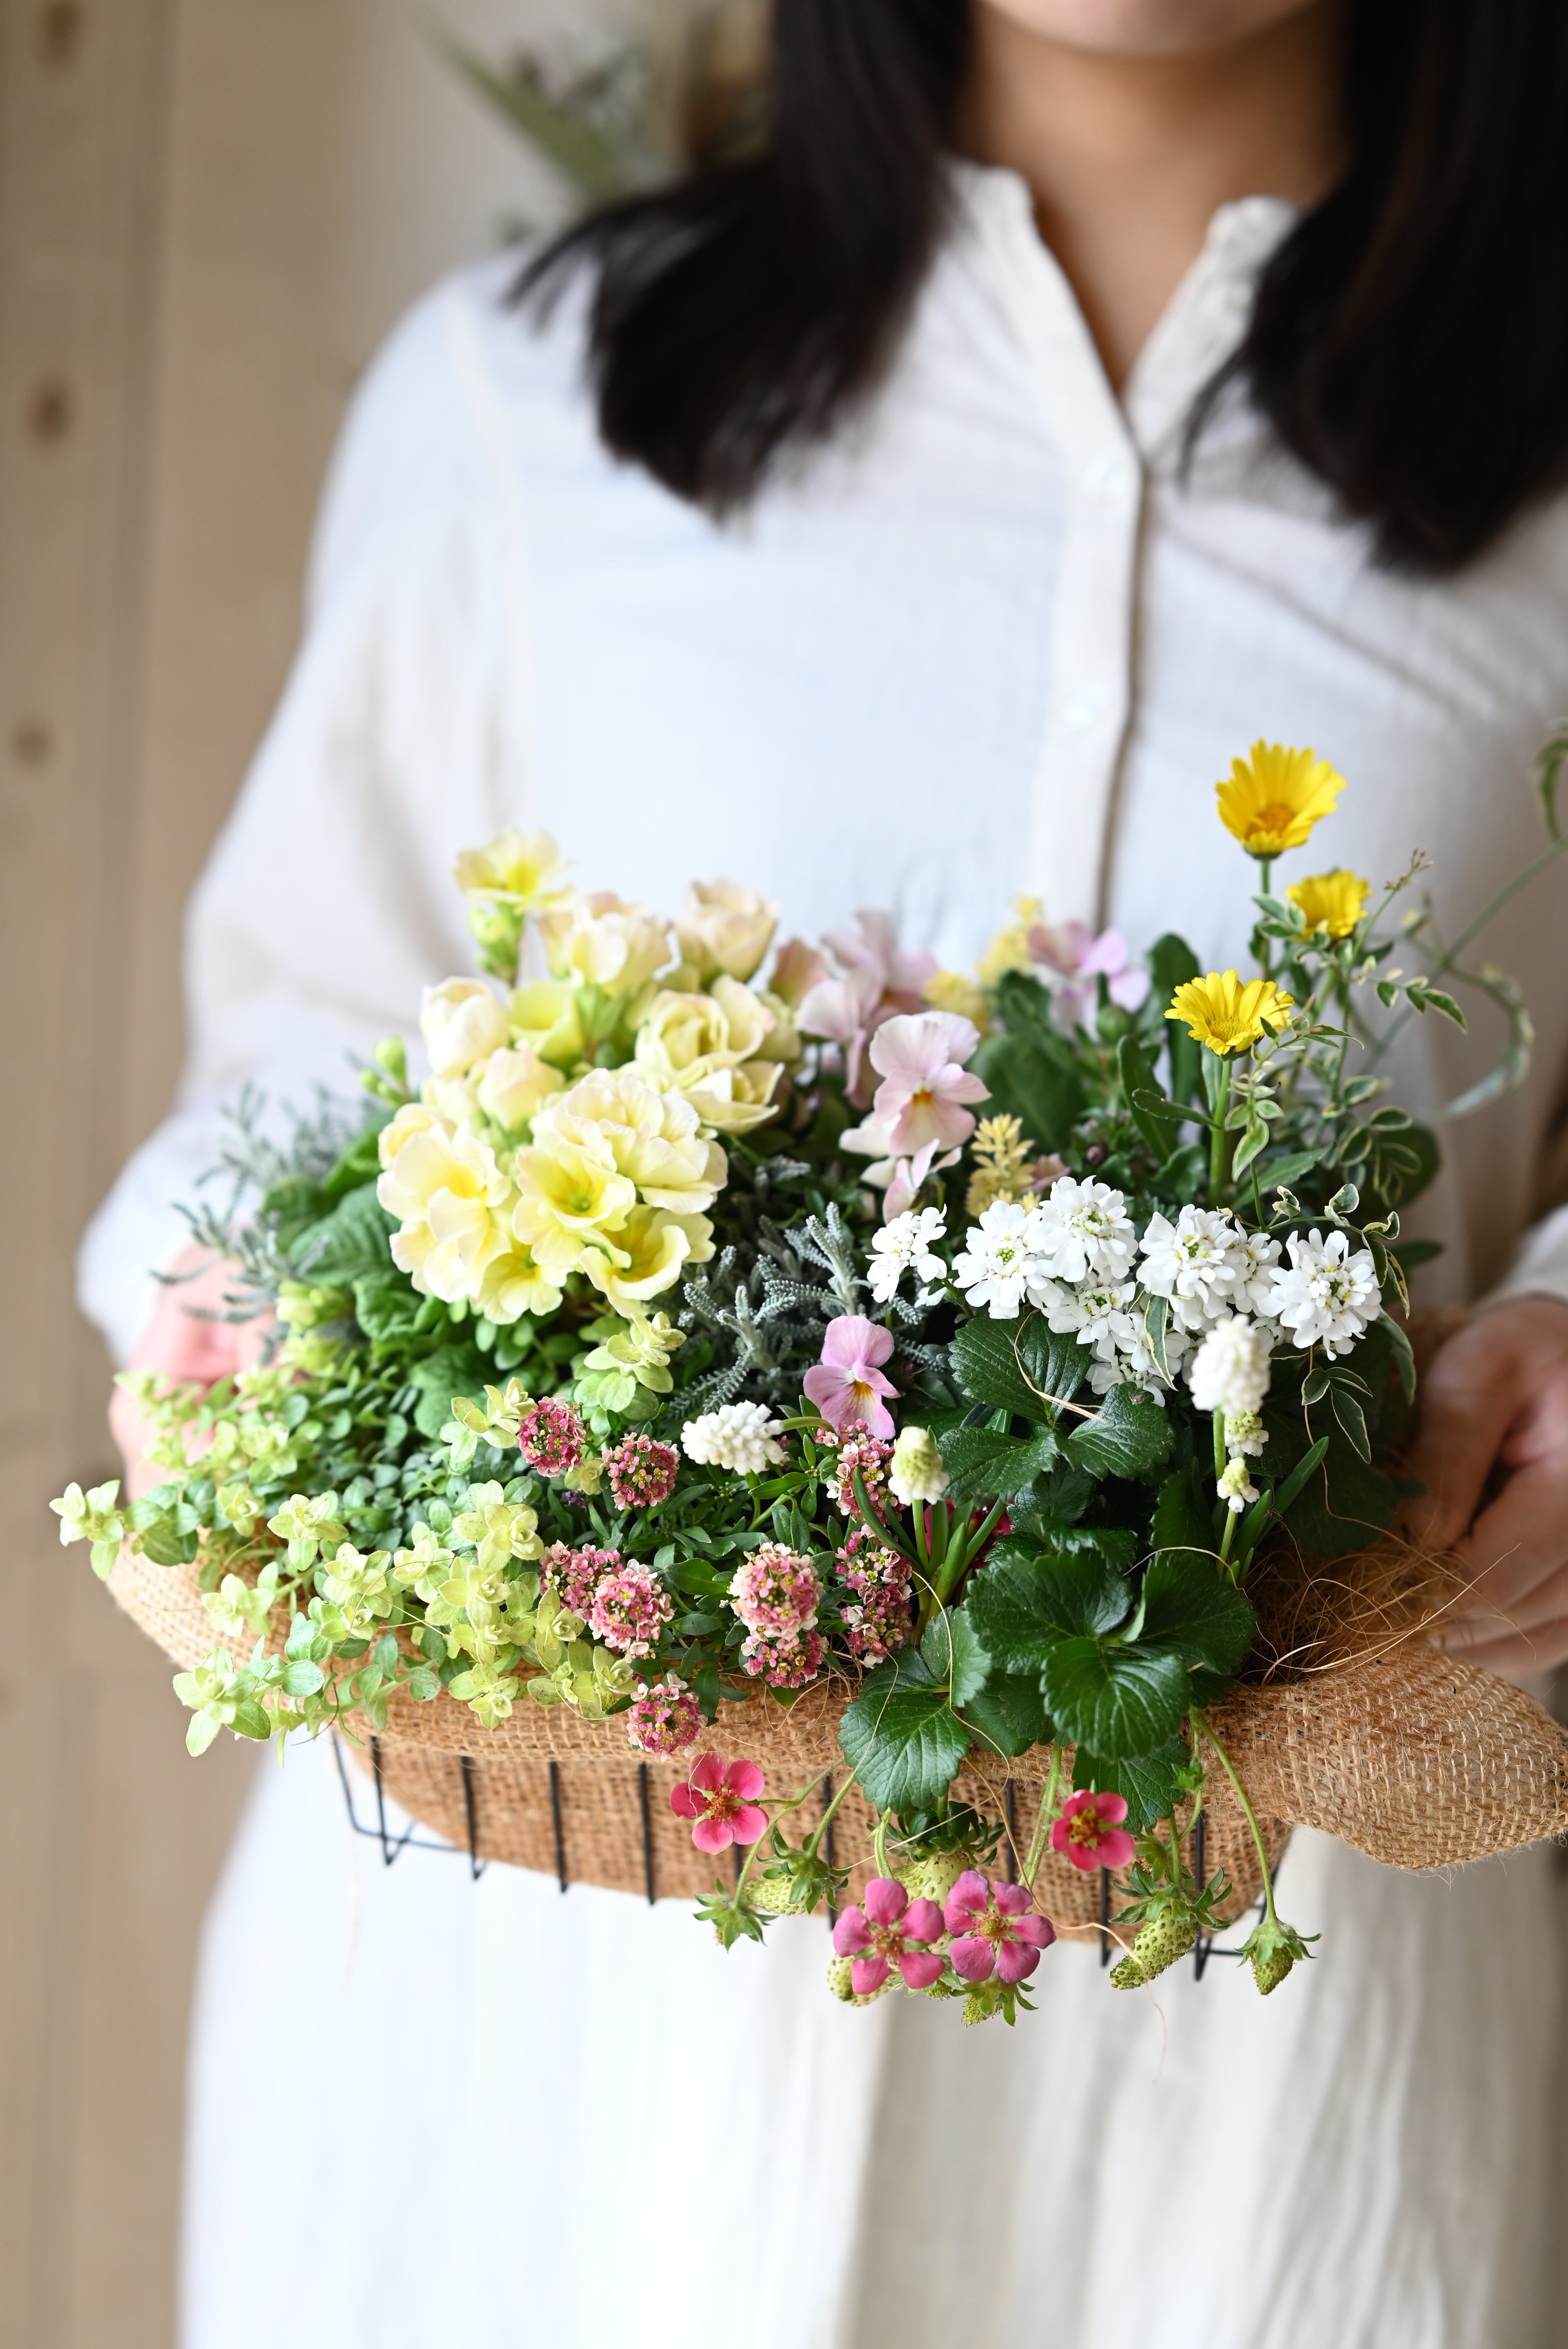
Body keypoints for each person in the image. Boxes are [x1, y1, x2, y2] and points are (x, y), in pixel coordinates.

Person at [80, 2, 1568, 2343]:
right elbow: (296, 1047)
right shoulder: (539, 397)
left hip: (1240, 2118)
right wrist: (241, 1326)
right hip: (539, 2066)